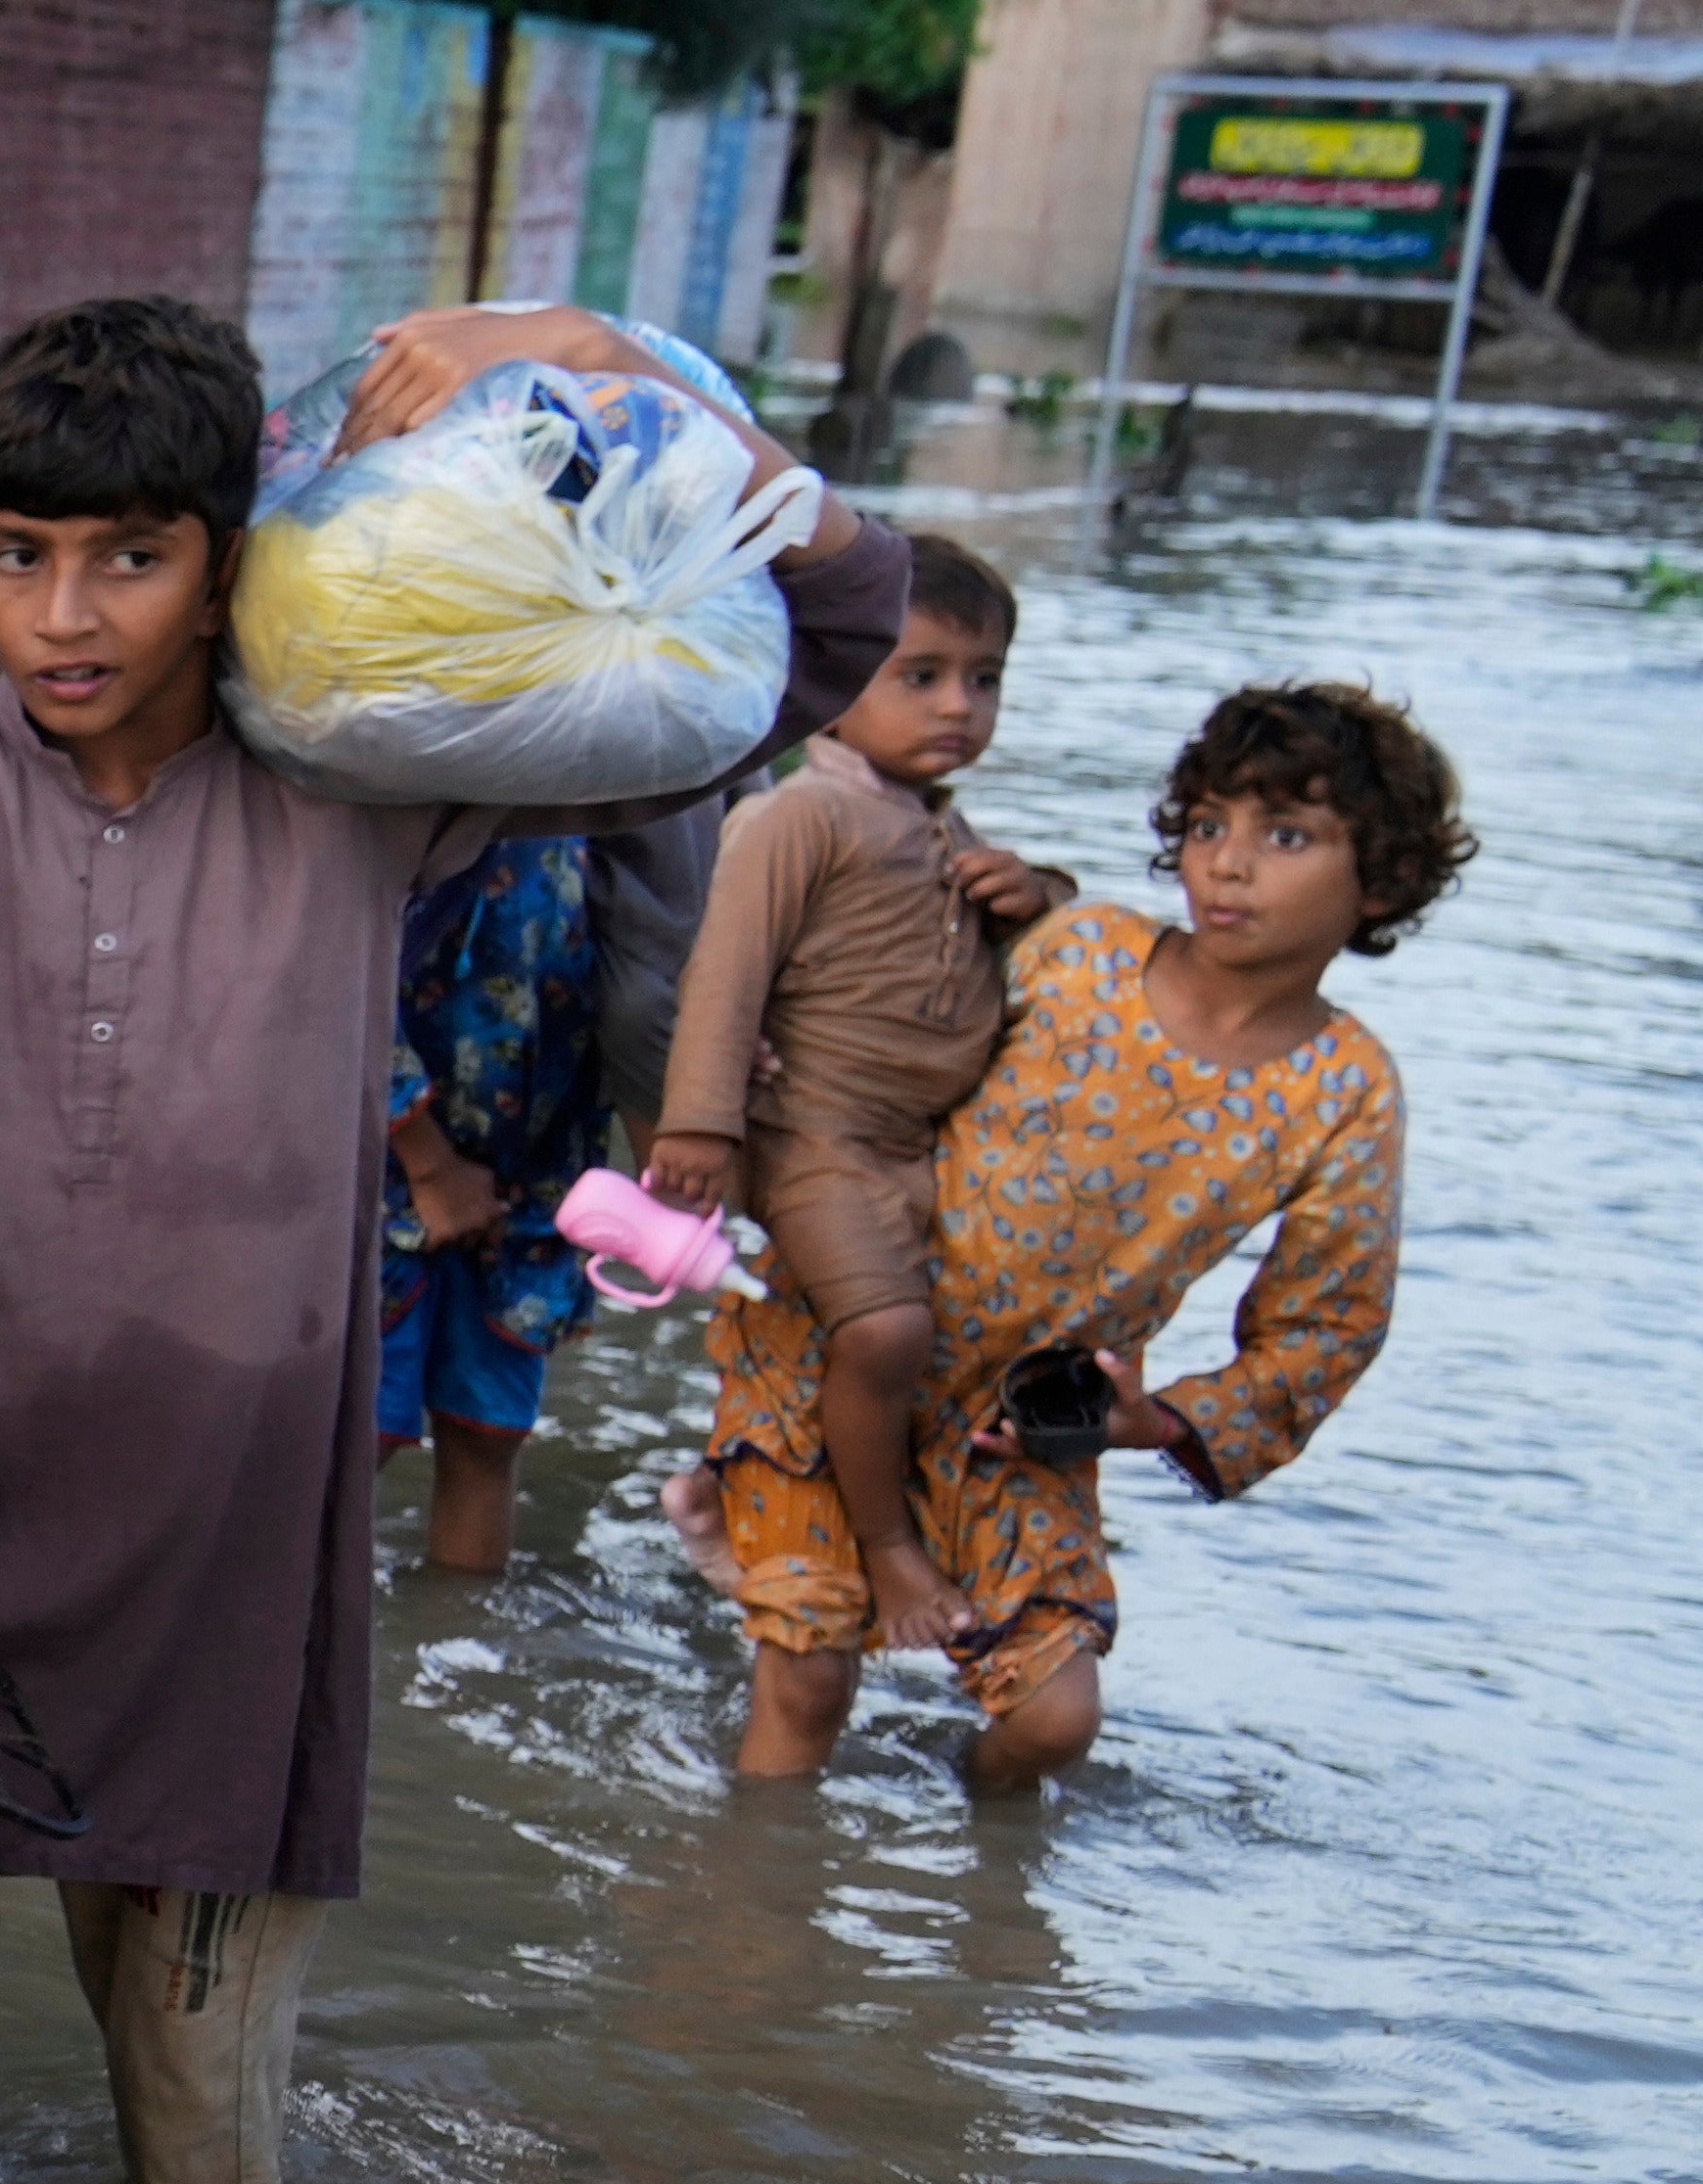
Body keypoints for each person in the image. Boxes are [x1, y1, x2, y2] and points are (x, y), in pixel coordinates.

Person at [0, 292, 908, 2184]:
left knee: (208, 2174)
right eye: (21, 560)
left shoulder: (358, 775)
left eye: (132, 561)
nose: (68, 620)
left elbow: (819, 647)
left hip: (232, 1544)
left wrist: (586, 353)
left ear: (230, 568)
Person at [713, 677, 1442, 1792]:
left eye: (1285, 836)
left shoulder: (1346, 1090)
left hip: (1013, 1426)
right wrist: (767, 1059)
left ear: (1382, 877)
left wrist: (1158, 1418)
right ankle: (755, 1918)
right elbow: (889, 1016)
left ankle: (976, 1904)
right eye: (1207, 826)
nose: (1229, 864)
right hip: (838, 1335)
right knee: (808, 1680)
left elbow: (1327, 1323)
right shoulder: (1080, 949)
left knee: (1053, 1723)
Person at [644, 540, 1057, 1656]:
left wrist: (1040, 893)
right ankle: (886, 1550)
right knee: (884, 1332)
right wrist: (698, 1125)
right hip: (816, 1135)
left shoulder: (949, 832)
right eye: (919, 675)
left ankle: (719, 1489)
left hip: (917, 1149)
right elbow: (725, 971)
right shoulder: (799, 817)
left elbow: (1054, 961)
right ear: (830, 680)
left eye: (985, 679)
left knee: (925, 1341)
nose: (958, 707)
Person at [373, 832, 600, 1576]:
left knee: (489, 1435)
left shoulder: (605, 797)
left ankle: (458, 1638)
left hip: (534, 1177)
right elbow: (331, 985)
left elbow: (658, 954)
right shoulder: (398, 784)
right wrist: (428, 1163)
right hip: (382, 1169)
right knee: (356, 1436)